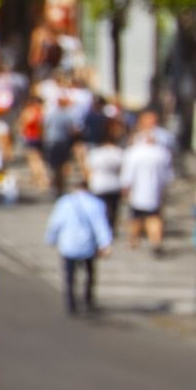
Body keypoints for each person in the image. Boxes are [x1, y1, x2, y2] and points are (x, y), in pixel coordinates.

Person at [49, 168, 114, 317]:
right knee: (89, 274)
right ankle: (88, 299)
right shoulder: (96, 203)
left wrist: (51, 238)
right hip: (88, 246)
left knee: (70, 276)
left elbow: (55, 223)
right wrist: (105, 243)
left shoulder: (65, 202)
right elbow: (101, 225)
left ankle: (71, 303)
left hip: (68, 245)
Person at [126, 111, 177, 256]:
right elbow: (168, 171)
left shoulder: (138, 150)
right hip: (153, 186)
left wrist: (127, 184)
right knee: (150, 215)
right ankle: (150, 240)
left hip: (143, 187)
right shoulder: (160, 151)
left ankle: (139, 240)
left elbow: (129, 169)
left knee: (141, 215)